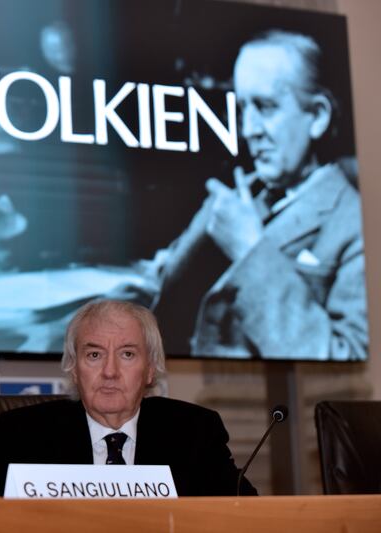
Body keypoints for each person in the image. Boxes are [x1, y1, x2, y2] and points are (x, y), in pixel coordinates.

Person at [138, 30, 367, 360]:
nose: (248, 130)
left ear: (317, 116)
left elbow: (345, 357)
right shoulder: (238, 196)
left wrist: (250, 250)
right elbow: (162, 282)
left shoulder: (355, 223)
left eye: (266, 107)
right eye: (243, 108)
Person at [0, 299, 256, 496]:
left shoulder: (195, 432)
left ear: (150, 369)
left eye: (127, 354)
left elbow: (245, 512)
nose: (110, 371)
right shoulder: (24, 434)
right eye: (94, 355)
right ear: (74, 368)